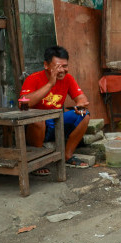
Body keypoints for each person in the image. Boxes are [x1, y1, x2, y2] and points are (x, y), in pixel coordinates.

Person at [20, 45, 91, 173]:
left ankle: (67, 156)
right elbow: (24, 104)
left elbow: (82, 99)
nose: (62, 70)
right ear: (46, 65)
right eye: (57, 67)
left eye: (65, 66)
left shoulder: (68, 79)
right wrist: (50, 84)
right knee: (38, 120)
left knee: (84, 115)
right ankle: (38, 161)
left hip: (57, 122)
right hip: (37, 127)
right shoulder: (33, 78)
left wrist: (80, 105)